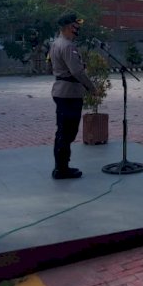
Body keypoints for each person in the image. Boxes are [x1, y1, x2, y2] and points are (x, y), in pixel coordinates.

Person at [49, 12, 97, 179]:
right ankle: (61, 169)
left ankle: (61, 167)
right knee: (67, 132)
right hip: (69, 93)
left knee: (63, 131)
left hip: (61, 91)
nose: (78, 28)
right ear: (70, 27)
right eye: (77, 25)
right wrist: (91, 87)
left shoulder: (56, 43)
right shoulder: (68, 46)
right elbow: (77, 71)